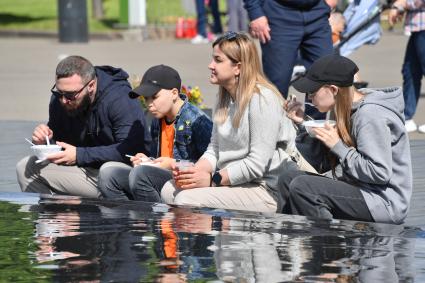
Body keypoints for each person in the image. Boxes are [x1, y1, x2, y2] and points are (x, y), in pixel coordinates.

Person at [161, 32, 299, 213]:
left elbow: (257, 165)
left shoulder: (263, 99)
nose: (210, 65)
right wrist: (195, 173)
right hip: (235, 182)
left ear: (238, 68)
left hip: (266, 188)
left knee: (186, 199)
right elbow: (215, 149)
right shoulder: (224, 97)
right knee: (169, 190)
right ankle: (205, 238)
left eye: (218, 60)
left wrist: (212, 180)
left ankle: (210, 238)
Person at [282, 54, 412, 224]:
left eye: (312, 91)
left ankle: (330, 246)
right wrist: (303, 123)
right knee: (288, 179)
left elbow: (379, 172)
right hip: (361, 191)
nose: (309, 98)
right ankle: (288, 240)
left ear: (334, 90)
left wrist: (338, 146)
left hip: (384, 201)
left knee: (304, 188)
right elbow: (321, 160)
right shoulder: (342, 107)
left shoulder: (369, 115)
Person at [16, 55, 151, 198]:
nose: (63, 100)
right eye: (59, 92)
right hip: (85, 170)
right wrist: (46, 141)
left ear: (91, 86)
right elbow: (63, 146)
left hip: (117, 175)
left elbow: (132, 149)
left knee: (107, 170)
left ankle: (117, 216)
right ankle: (53, 217)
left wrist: (80, 155)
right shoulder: (61, 99)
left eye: (70, 95)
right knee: (25, 167)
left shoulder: (119, 99)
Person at [98, 64, 213, 201]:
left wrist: (172, 163)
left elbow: (209, 167)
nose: (149, 104)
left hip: (184, 181)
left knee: (140, 175)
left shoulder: (197, 121)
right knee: (108, 174)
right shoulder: (157, 120)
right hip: (162, 177)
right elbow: (159, 159)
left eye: (154, 97)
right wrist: (147, 160)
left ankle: (155, 221)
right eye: (146, 99)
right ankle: (131, 219)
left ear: (174, 93)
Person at [243, 0, 334, 99]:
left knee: (323, 74)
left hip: (317, 12)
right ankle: (275, 114)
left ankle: (313, 115)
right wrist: (255, 12)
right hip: (279, 14)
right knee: (278, 82)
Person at [389, 0, 425, 133]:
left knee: (412, 71)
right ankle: (407, 117)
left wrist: (401, 4)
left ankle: (407, 116)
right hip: (418, 27)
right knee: (410, 71)